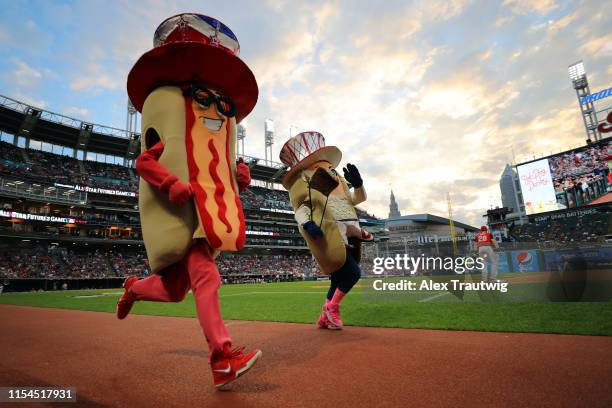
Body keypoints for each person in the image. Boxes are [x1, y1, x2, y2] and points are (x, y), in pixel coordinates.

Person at [116, 13, 261, 388]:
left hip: (204, 215)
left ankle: (133, 288)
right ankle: (222, 357)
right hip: (184, 213)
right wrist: (168, 183)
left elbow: (215, 177)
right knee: (206, 277)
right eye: (203, 100)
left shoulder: (215, 139)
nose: (214, 112)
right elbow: (145, 160)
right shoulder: (172, 127)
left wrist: (238, 180)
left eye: (221, 106)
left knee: (176, 290)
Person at [280, 131, 368, 330]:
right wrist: (307, 223)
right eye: (321, 167)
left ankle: (323, 316)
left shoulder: (341, 188)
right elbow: (301, 208)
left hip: (350, 232)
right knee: (353, 274)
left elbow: (357, 200)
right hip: (331, 233)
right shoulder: (308, 188)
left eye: (330, 167)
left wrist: (359, 185)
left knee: (337, 279)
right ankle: (333, 307)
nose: (330, 171)